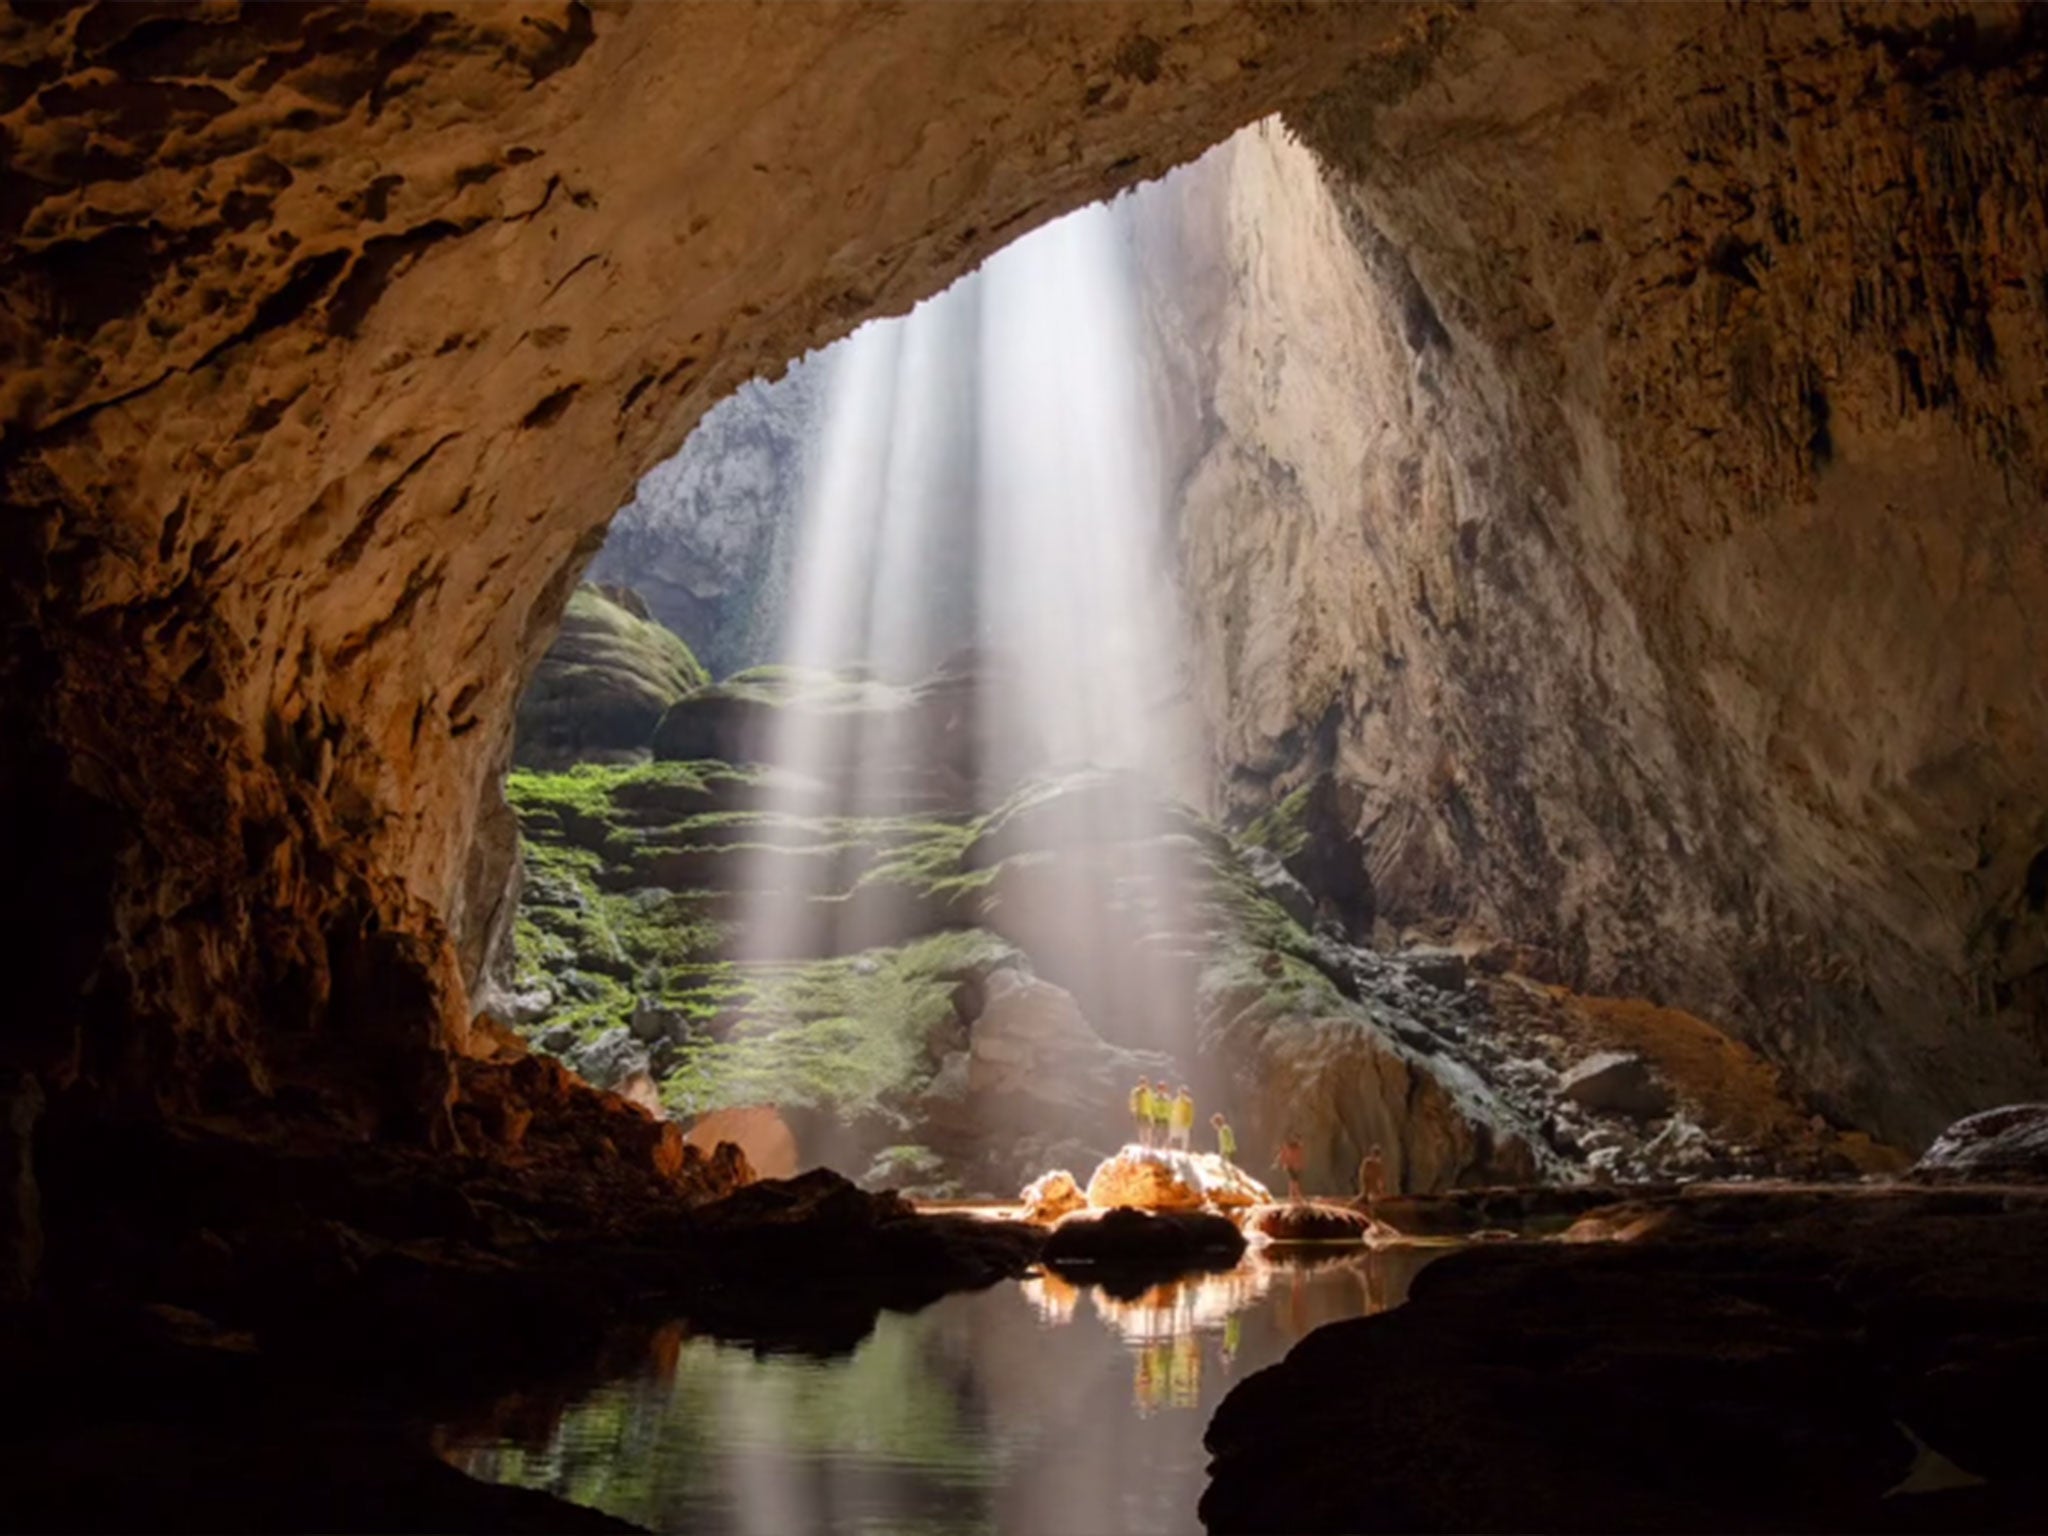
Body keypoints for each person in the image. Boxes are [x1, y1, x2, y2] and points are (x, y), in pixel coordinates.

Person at [1273, 1132, 1306, 1201]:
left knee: (1293, 1180)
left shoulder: (1292, 1148)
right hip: (1291, 1166)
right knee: (1294, 1181)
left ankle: (1292, 1195)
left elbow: (1284, 1156)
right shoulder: (1291, 1148)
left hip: (1291, 1166)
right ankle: (1296, 1195)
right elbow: (1284, 1156)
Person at [1130, 1078, 1155, 1147]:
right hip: (1140, 1113)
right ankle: (1143, 1144)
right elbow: (1133, 1102)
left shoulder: (1150, 1092)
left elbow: (1152, 1103)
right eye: (1142, 1083)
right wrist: (1133, 1111)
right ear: (1139, 1084)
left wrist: (1153, 1113)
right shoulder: (1136, 1092)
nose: (1143, 1085)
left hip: (1148, 1113)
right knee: (1141, 1129)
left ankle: (1149, 1145)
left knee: (1149, 1130)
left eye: (1144, 1083)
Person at [1171, 1085, 1196, 1152]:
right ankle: (1171, 1149)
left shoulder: (1189, 1102)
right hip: (1175, 1122)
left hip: (1185, 1122)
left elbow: (1191, 1113)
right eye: (1181, 1092)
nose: (1182, 1093)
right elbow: (1173, 1111)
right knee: (1172, 1136)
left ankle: (1184, 1151)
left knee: (1185, 1138)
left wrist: (1189, 1122)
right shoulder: (1175, 1101)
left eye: (1184, 1092)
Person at [1150, 1079, 1174, 1149]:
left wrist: (1169, 1117)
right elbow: (1152, 1108)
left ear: (1165, 1089)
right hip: (1157, 1119)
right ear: (1158, 1088)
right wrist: (1153, 1116)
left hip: (1165, 1120)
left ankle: (1166, 1150)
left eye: (1163, 1088)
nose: (1161, 1089)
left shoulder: (1168, 1098)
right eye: (1160, 1088)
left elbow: (1170, 1108)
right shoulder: (1154, 1098)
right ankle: (1153, 1149)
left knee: (1166, 1136)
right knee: (1154, 1136)